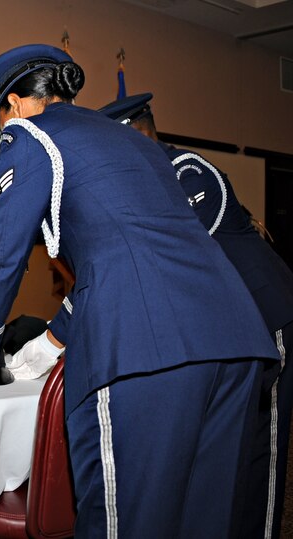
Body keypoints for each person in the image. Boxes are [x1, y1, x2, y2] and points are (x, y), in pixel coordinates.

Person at [0, 44, 280, 538]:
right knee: (205, 517)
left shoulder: (28, 133)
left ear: (14, 104)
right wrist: (53, 338)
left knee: (125, 521)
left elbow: (1, 255)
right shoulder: (138, 143)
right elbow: (132, 254)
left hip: (143, 350)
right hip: (233, 338)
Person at [99, 92, 293, 539]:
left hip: (266, 313)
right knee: (235, 448)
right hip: (230, 326)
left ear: (143, 132)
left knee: (265, 449)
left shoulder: (186, 170)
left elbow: (170, 258)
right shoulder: (146, 183)